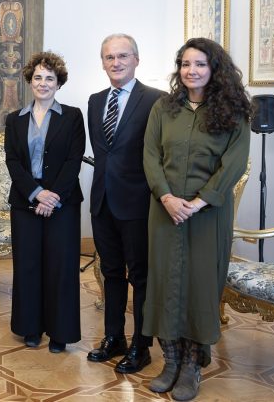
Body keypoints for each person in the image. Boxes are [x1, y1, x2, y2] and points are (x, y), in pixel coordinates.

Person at [143, 37, 251, 400]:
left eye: (200, 64)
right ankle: (170, 360)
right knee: (164, 281)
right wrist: (168, 197)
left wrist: (200, 202)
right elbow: (150, 156)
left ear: (214, 68)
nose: (192, 71)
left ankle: (192, 365)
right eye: (186, 64)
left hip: (208, 215)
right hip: (165, 211)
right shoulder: (164, 108)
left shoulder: (234, 112)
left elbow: (233, 164)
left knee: (200, 285)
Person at [86, 34, 164, 373]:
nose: (115, 63)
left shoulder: (157, 101)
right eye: (109, 57)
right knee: (111, 272)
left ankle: (141, 346)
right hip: (102, 200)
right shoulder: (94, 100)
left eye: (122, 56)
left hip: (138, 203)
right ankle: (114, 337)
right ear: (102, 62)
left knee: (141, 277)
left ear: (136, 59)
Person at [4, 51, 85, 353]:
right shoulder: (14, 120)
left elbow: (73, 161)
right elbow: (12, 161)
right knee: (28, 266)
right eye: (38, 77)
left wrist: (52, 198)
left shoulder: (73, 117)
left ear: (58, 83)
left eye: (49, 78)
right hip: (26, 204)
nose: (43, 83)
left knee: (60, 268)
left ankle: (60, 332)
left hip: (62, 205)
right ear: (30, 81)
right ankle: (30, 328)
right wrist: (36, 193)